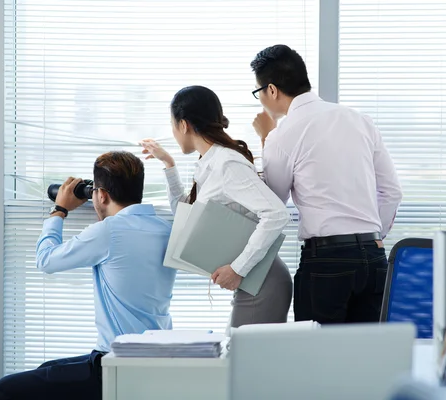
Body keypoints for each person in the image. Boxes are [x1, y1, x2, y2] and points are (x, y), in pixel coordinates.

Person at [0, 151, 177, 400]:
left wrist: (59, 209)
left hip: (116, 365)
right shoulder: (166, 229)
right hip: (154, 359)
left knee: (4, 389)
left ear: (101, 194)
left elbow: (45, 260)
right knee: (46, 369)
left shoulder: (108, 231)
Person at [250, 44, 403, 324]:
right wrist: (374, 236)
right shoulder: (359, 120)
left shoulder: (283, 135)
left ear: (271, 90)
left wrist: (266, 139)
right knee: (367, 359)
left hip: (326, 262)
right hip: (374, 258)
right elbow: (392, 191)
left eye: (258, 91)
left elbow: (273, 201)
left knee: (317, 362)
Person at [140, 85, 292, 329]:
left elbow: (276, 214)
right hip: (253, 278)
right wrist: (168, 164)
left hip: (262, 279)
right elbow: (186, 216)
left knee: (246, 363)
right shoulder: (209, 163)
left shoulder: (227, 164)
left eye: (172, 124)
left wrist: (237, 269)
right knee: (243, 360)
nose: (173, 130)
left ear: (183, 125)